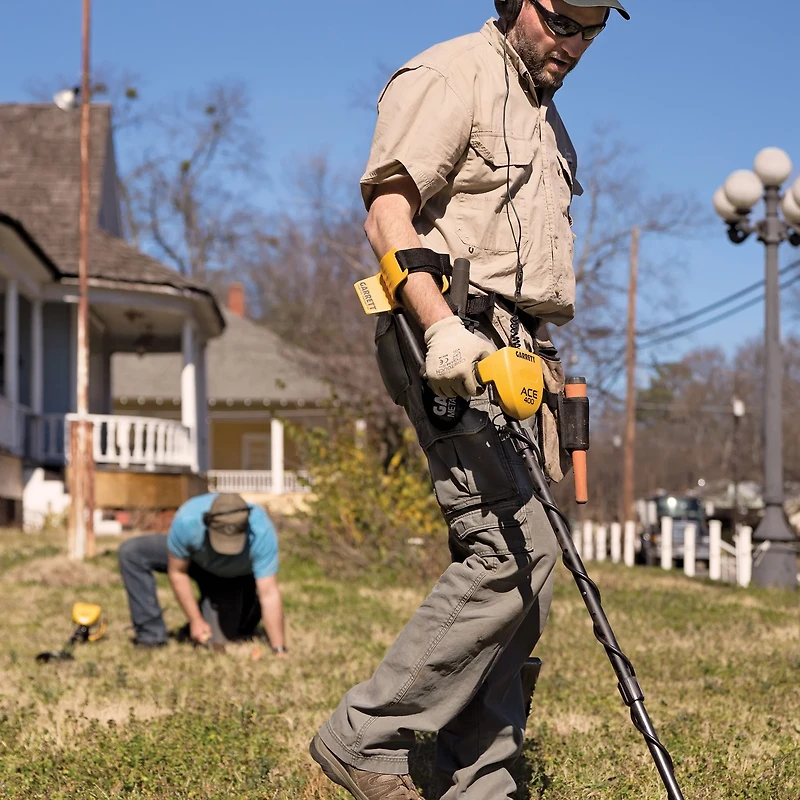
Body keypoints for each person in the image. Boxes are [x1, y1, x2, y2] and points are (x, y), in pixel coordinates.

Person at [310, 1, 628, 798]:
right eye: (561, 20)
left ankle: (481, 781)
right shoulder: (452, 74)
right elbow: (389, 212)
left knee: (524, 566)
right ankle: (367, 735)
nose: (574, 43)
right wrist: (444, 331)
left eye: (592, 29)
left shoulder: (546, 121)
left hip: (519, 353)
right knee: (509, 547)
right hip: (453, 336)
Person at [118, 492, 287, 655]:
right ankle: (151, 634)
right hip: (195, 560)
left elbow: (269, 593)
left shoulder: (262, 532)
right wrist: (195, 620)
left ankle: (247, 606)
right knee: (131, 552)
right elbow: (178, 572)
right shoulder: (188, 520)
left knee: (219, 640)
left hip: (230, 577)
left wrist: (279, 649)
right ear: (207, 524)